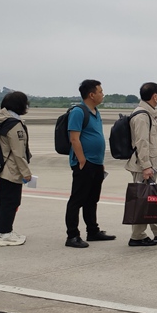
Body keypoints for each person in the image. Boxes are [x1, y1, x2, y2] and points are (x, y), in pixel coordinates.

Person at [65, 79, 116, 248]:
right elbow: (74, 138)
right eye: (100, 92)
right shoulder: (78, 112)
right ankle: (72, 235)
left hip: (96, 163)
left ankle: (93, 231)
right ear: (91, 95)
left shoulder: (95, 111)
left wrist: (100, 163)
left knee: (92, 199)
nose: (103, 94)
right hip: (84, 163)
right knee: (77, 199)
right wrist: (81, 160)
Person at [125, 83, 157, 247]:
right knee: (142, 200)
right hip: (143, 166)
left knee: (152, 196)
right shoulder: (142, 116)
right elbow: (142, 143)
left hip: (149, 164)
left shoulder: (148, 114)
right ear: (155, 96)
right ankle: (137, 236)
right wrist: (146, 166)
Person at [0, 91, 31, 247]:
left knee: (6, 201)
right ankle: (5, 234)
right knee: (11, 201)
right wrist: (26, 173)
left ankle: (6, 231)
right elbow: (18, 153)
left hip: (2, 168)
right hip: (11, 170)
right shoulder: (14, 125)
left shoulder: (2, 121)